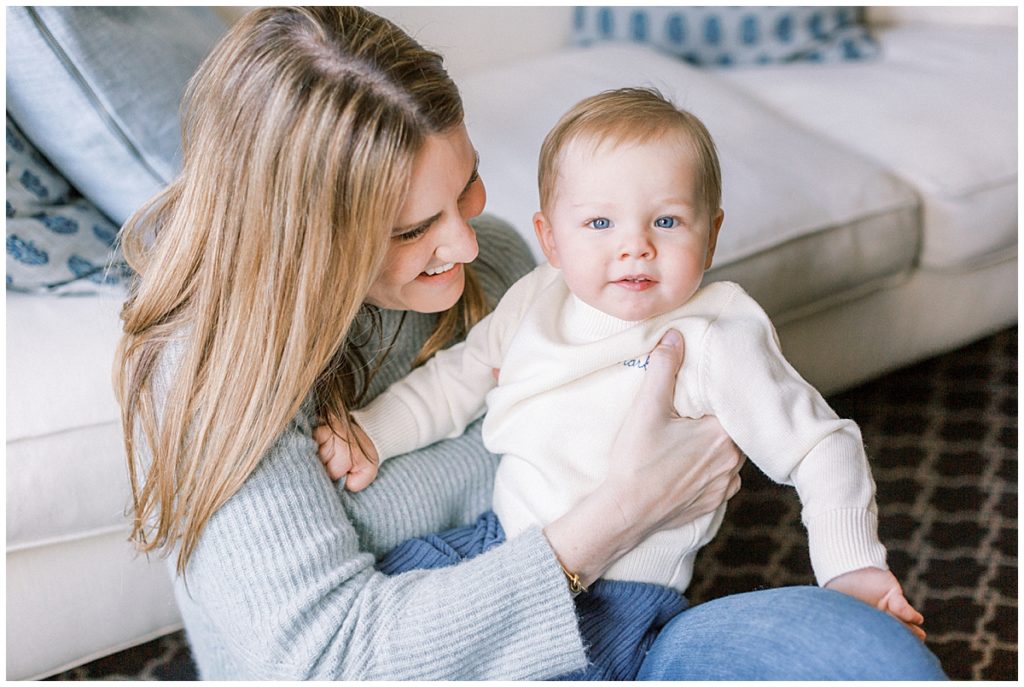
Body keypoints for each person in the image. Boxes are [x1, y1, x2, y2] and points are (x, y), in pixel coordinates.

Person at [114, 6, 946, 680]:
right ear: (305, 238)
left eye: (466, 185)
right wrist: (629, 505)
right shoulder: (204, 374)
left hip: (612, 620)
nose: (469, 244)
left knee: (871, 662)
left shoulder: (507, 262)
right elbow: (334, 659)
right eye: (412, 229)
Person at [316, 87, 932, 679]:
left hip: (616, 599)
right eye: (600, 224)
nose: (635, 247)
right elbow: (461, 375)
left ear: (712, 234)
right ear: (550, 239)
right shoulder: (535, 297)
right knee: (388, 618)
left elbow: (821, 446)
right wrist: (374, 433)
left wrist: (852, 566)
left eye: (665, 221)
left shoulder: (715, 336)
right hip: (495, 545)